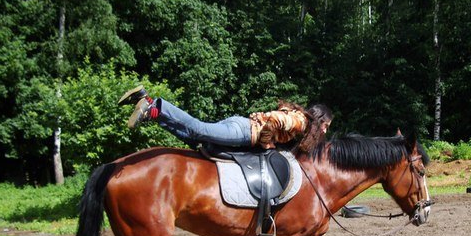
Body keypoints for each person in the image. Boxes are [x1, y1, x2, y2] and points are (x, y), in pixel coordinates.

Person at [118, 85, 333, 152]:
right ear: (319, 121)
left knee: (194, 141)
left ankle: (152, 112)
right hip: (244, 132)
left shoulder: (301, 126)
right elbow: (274, 121)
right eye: (326, 126)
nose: (325, 132)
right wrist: (266, 142)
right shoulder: (302, 122)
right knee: (198, 129)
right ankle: (157, 104)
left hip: (242, 127)